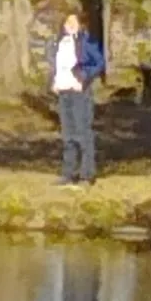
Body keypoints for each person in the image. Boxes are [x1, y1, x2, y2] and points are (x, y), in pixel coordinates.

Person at [49, 11, 105, 185]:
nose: (70, 25)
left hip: (79, 92)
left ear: (80, 24)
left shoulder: (86, 41)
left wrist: (83, 77)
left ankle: (87, 174)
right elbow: (55, 65)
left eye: (74, 22)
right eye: (68, 22)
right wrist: (53, 81)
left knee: (83, 133)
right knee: (68, 135)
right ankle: (68, 173)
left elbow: (99, 62)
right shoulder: (58, 42)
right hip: (63, 91)